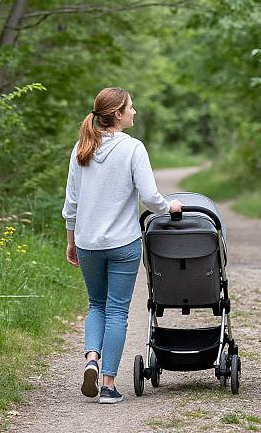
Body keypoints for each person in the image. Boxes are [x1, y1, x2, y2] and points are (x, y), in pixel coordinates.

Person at [62, 87, 182, 404]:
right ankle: (108, 385)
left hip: (88, 242)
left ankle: (91, 358)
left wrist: (71, 241)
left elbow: (71, 203)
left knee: (96, 305)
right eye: (131, 107)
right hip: (123, 244)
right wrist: (169, 206)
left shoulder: (80, 148)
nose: (135, 111)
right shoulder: (133, 148)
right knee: (116, 310)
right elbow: (150, 195)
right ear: (117, 114)